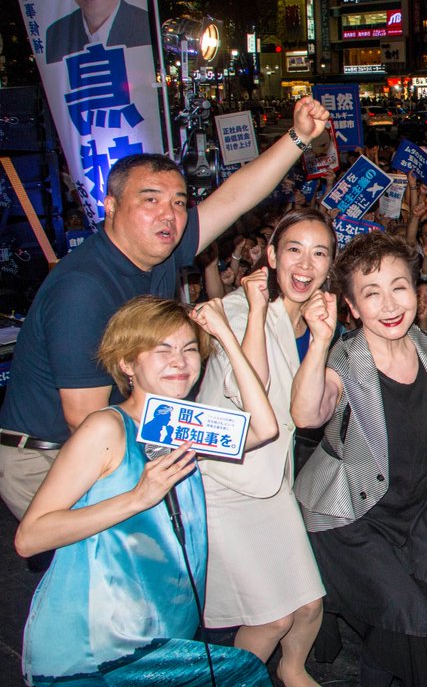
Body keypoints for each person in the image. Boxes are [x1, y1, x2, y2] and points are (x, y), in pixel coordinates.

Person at [0, 97, 329, 521]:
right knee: (107, 578)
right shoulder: (83, 289)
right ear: (111, 206)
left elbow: (233, 199)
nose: (169, 215)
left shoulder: (162, 252)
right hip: (50, 457)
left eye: (178, 202)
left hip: (124, 431)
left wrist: (299, 137)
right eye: (150, 200)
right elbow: (85, 420)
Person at [15, 296, 279, 685]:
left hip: (163, 632)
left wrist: (223, 334)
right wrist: (137, 497)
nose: (180, 360)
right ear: (127, 363)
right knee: (247, 675)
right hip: (97, 646)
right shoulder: (106, 428)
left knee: (246, 673)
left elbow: (263, 429)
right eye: (163, 349)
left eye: (190, 349)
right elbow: (30, 537)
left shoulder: (177, 426)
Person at [292, 233, 427, 687]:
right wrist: (319, 341)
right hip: (351, 514)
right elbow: (307, 414)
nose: (389, 305)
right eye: (371, 293)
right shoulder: (344, 361)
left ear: (416, 291)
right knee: (403, 612)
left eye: (399, 287)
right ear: (352, 306)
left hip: (417, 503)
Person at [194, 209, 333, 686]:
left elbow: (303, 415)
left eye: (320, 253)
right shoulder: (237, 309)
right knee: (271, 618)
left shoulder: (314, 324)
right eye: (294, 249)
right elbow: (246, 392)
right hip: (224, 483)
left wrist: (320, 341)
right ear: (272, 256)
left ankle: (292, 673)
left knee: (309, 606)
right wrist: (255, 311)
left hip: (273, 485)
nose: (306, 263)